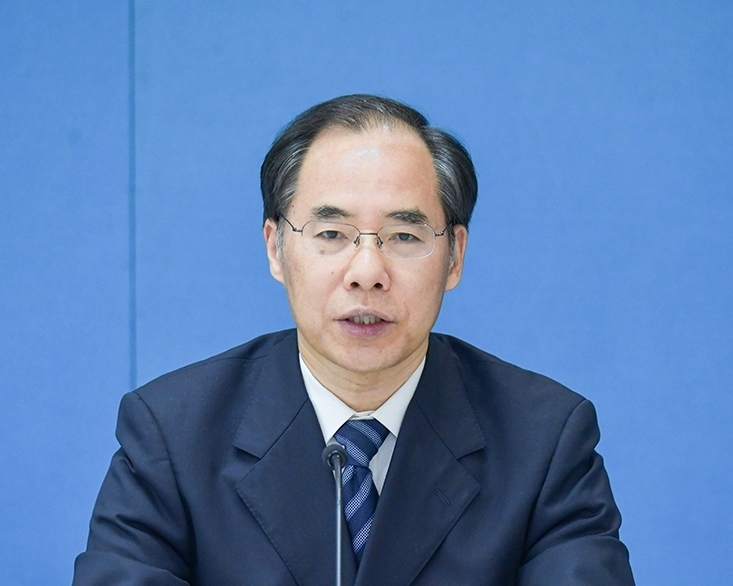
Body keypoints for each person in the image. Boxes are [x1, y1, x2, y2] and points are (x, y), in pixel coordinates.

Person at [74, 94, 634, 585]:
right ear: (275, 248)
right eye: (332, 233)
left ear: (455, 256)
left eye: (404, 235)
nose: (367, 271)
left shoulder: (544, 441)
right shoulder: (174, 435)